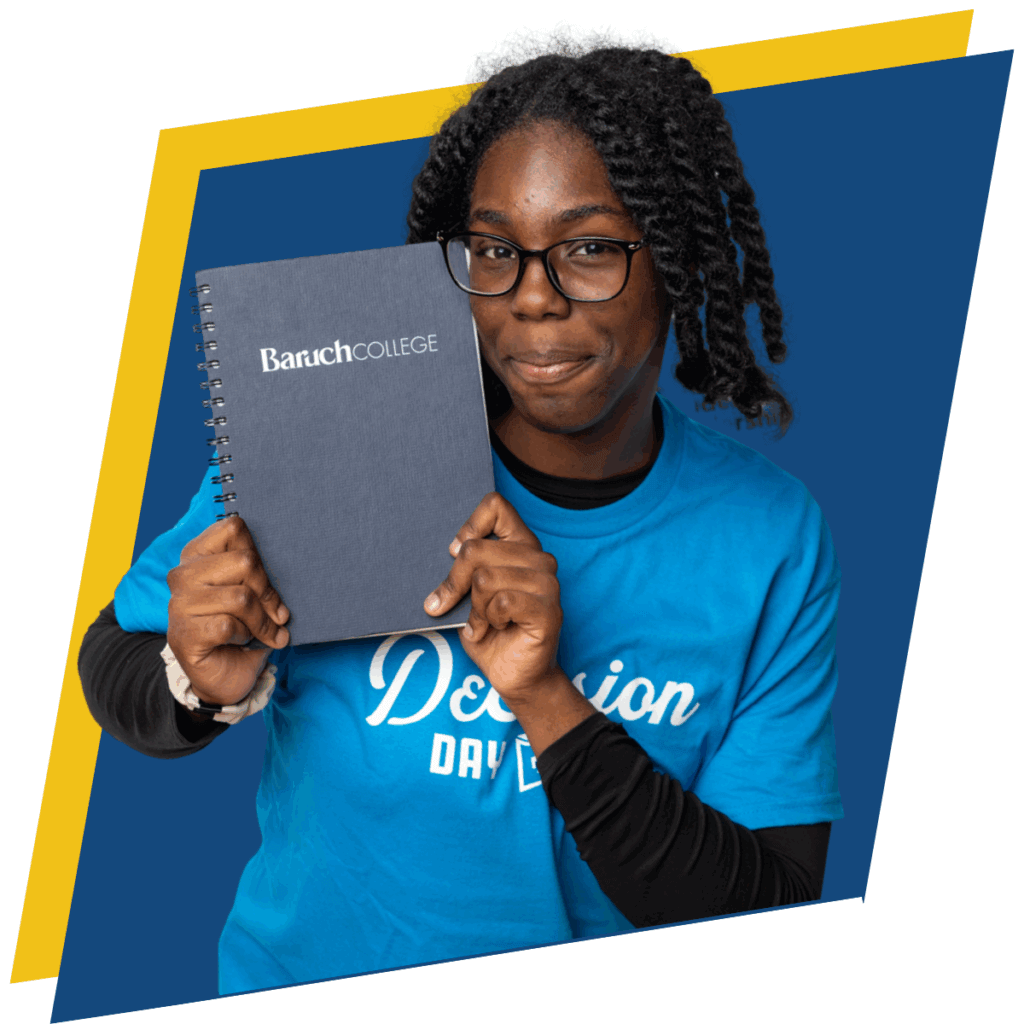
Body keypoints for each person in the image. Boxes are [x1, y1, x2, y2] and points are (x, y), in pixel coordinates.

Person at [81, 44, 842, 994]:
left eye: (592, 248)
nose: (531, 295)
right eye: (494, 250)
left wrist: (547, 698)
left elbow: (770, 920)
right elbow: (116, 654)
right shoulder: (334, 437)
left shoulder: (768, 538)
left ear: (676, 263)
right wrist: (199, 686)